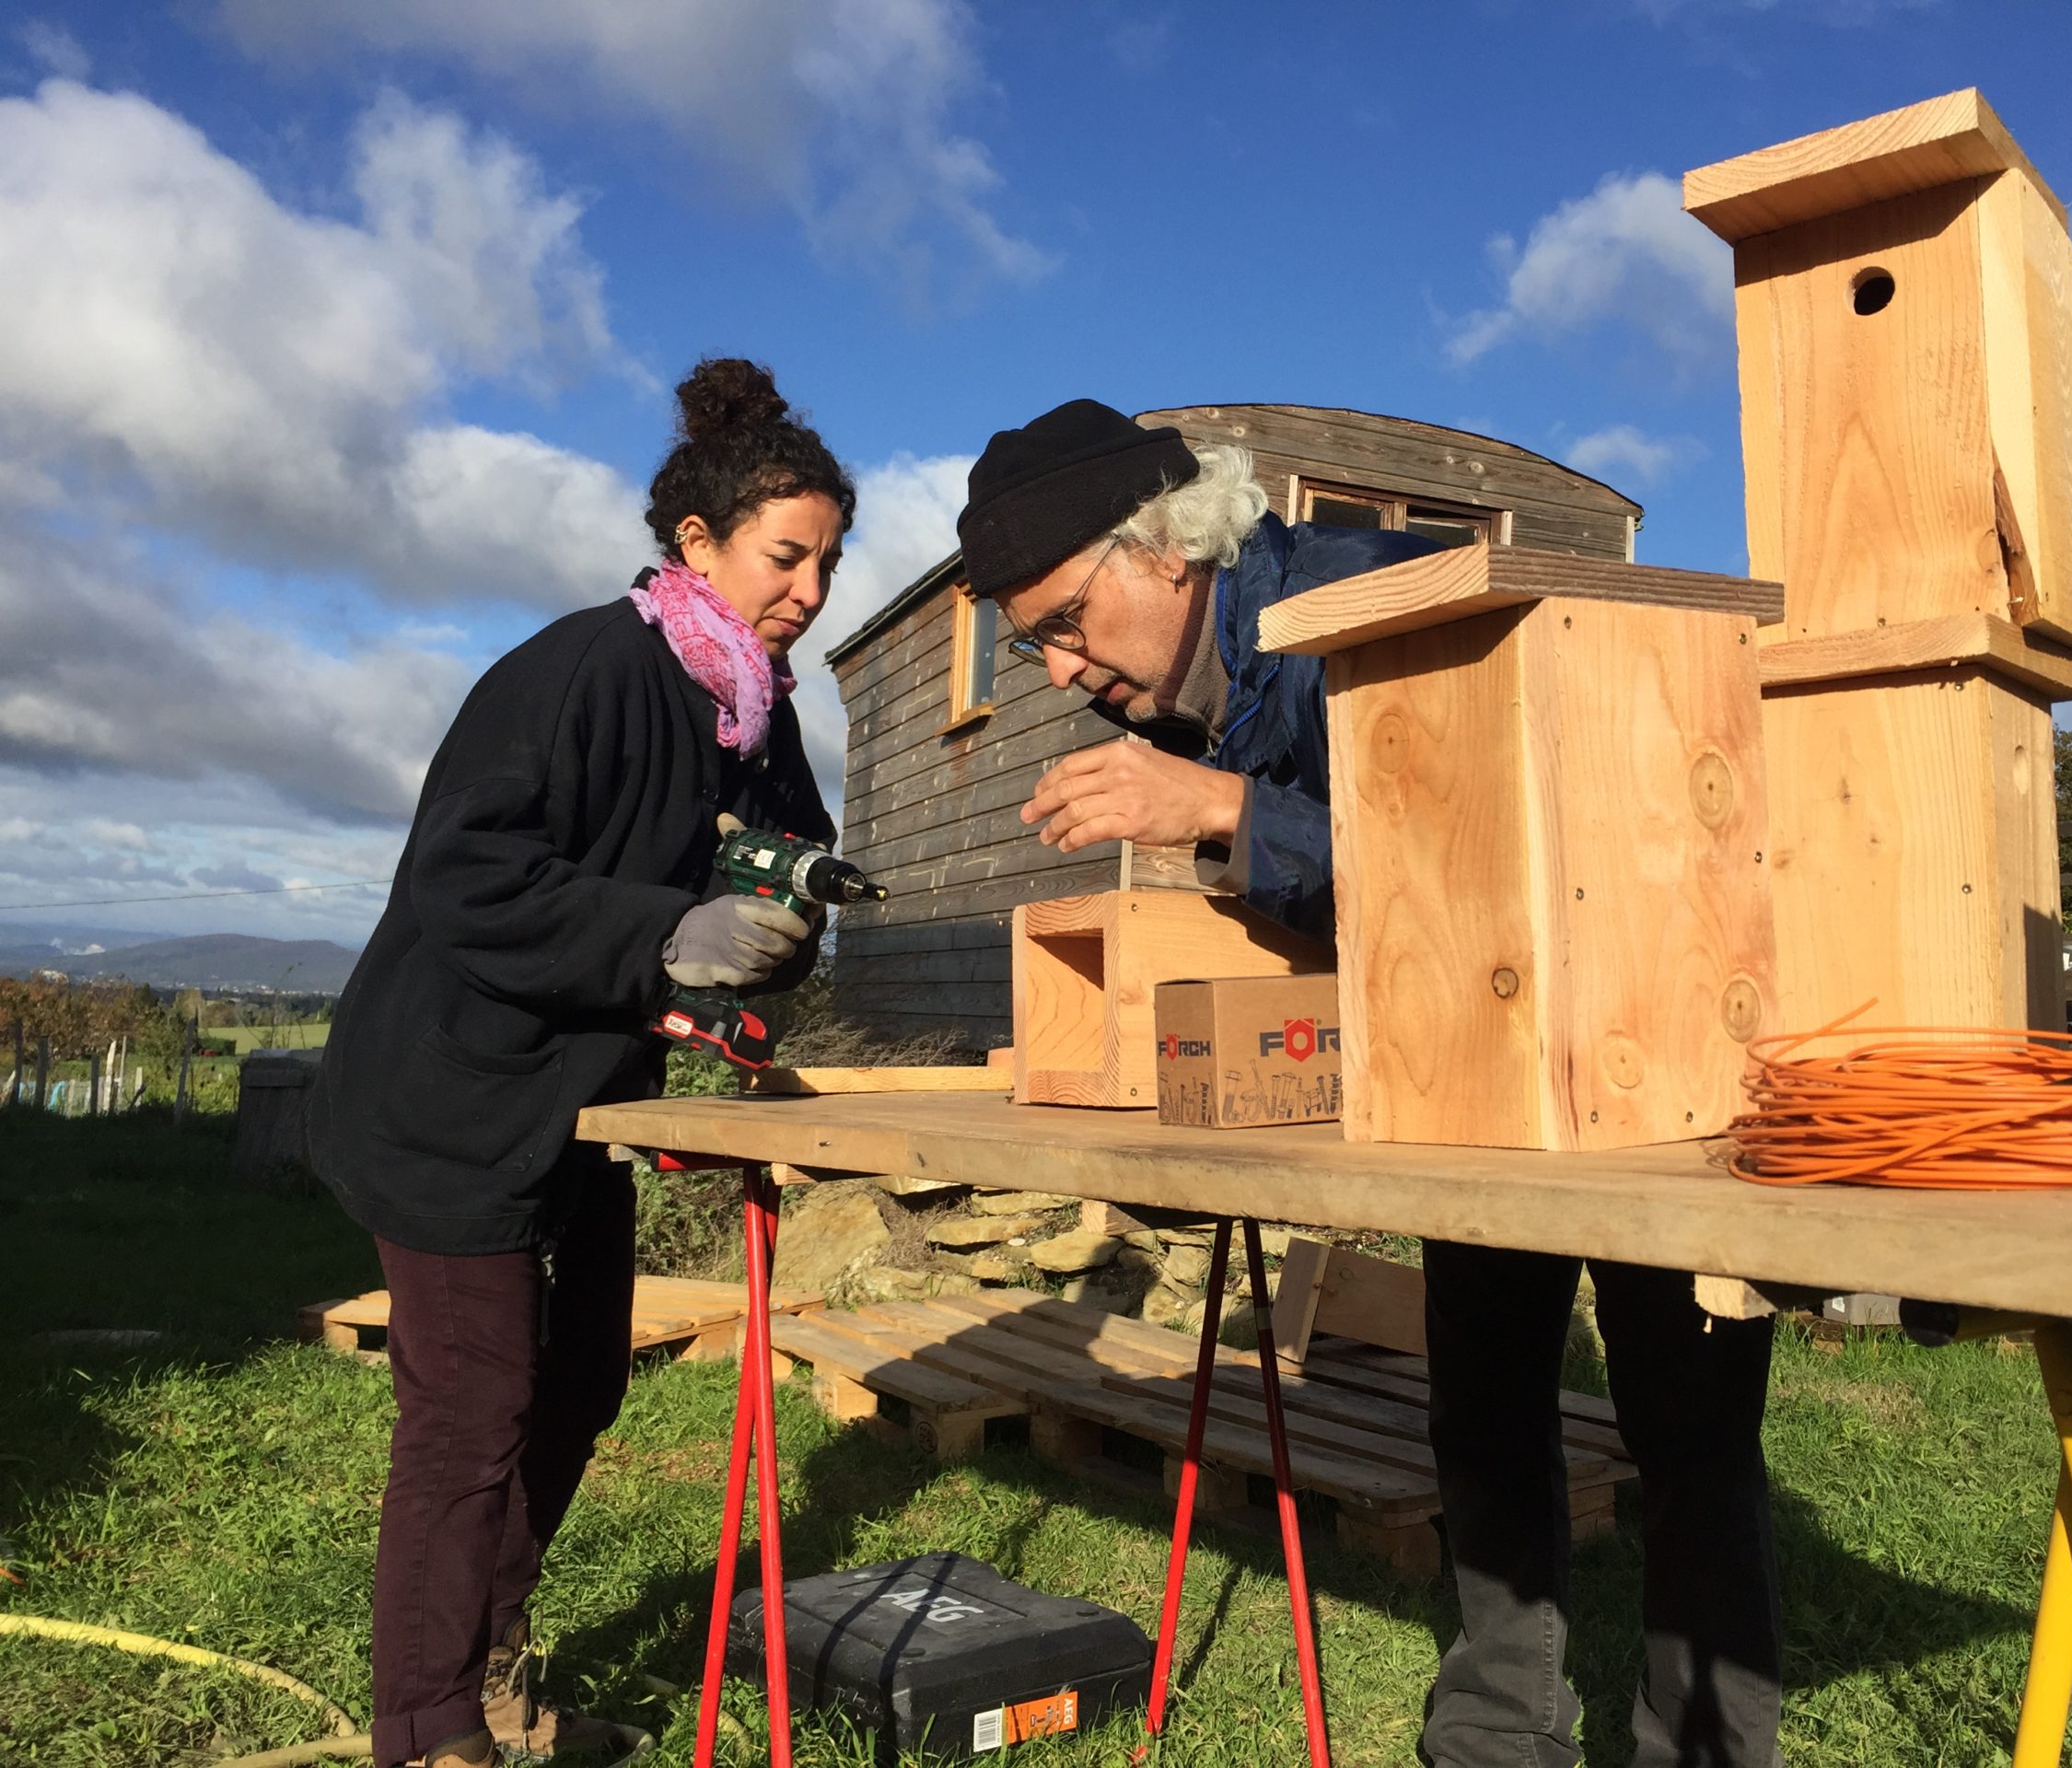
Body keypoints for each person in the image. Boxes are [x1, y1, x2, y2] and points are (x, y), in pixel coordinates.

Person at [957, 400, 1783, 1768]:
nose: (1052, 670)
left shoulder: (1369, 611)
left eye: (1057, 622)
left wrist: (1226, 816)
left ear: (1161, 553)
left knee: (1688, 1432)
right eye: (1028, 641)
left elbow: (1498, 862)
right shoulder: (1212, 689)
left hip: (1659, 1054)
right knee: (1489, 1407)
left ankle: (1704, 1752)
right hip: (1472, 1073)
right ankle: (1496, 1739)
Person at [312, 359, 849, 1768]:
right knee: (469, 1412)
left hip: (585, 1100)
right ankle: (425, 1732)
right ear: (698, 544)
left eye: (828, 562)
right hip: (453, 1090)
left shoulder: (751, 709)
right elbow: (465, 877)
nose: (809, 586)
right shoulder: (580, 669)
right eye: (786, 555)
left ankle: (485, 1672)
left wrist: (782, 931)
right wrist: (672, 930)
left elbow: (768, 867)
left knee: (583, 1381)